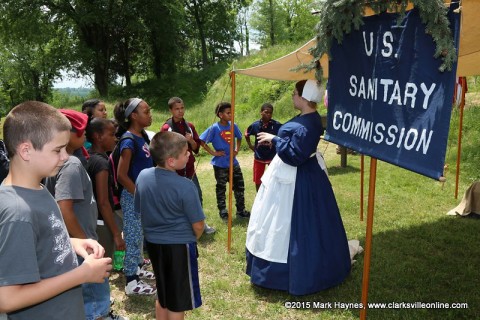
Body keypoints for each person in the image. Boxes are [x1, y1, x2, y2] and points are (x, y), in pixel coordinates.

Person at [0, 101, 111, 319]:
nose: (65, 157)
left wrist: (76, 243)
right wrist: (81, 274)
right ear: (26, 151)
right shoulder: (16, 212)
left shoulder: (38, 189)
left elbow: (40, 239)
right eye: (58, 150)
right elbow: (7, 298)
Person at [245, 80, 351, 295]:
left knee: (293, 223)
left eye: (294, 93)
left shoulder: (309, 123)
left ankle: (295, 271)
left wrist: (276, 140)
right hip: (291, 175)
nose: (292, 96)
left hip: (298, 179)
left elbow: (296, 156)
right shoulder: (307, 118)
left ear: (303, 98)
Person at [44, 109, 126, 320]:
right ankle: (101, 316)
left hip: (74, 240)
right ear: (67, 135)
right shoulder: (70, 164)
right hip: (81, 243)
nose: (85, 135)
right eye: (80, 132)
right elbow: (64, 207)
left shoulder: (61, 162)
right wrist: (85, 242)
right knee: (92, 292)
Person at [135, 131, 204, 320]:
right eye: (185, 153)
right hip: (179, 248)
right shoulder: (185, 186)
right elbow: (198, 225)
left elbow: (139, 209)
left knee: (163, 293)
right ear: (172, 161)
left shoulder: (142, 176)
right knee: (178, 300)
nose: (189, 154)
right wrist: (190, 239)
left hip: (154, 246)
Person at [113, 98, 156, 296]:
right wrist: (139, 195)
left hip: (142, 195)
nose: (150, 115)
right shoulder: (129, 140)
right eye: (146, 111)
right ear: (133, 116)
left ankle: (138, 267)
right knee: (132, 236)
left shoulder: (142, 136)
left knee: (139, 235)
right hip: (133, 197)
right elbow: (121, 175)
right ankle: (131, 282)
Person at [161, 97, 215, 234]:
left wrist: (190, 141)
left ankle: (201, 225)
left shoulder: (189, 126)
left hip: (189, 169)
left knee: (197, 195)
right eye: (177, 109)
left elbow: (196, 148)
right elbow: (163, 151)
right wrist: (181, 143)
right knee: (176, 200)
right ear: (171, 110)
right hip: (173, 171)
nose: (180, 111)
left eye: (182, 108)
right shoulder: (167, 128)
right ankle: (179, 226)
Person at [199, 102, 250, 220]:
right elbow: (202, 141)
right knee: (221, 188)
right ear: (220, 114)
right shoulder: (214, 128)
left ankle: (241, 210)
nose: (231, 114)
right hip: (220, 164)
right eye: (228, 113)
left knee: (239, 186)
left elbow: (239, 137)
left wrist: (236, 149)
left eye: (232, 112)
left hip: (233, 162)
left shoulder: (234, 125)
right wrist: (213, 153)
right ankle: (223, 211)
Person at [86, 118, 126, 260]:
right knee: (103, 266)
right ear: (98, 137)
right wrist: (116, 233)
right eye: (111, 134)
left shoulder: (88, 157)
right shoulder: (101, 164)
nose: (115, 139)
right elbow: (103, 202)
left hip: (91, 220)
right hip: (102, 224)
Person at [244, 103, 282, 191]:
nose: (268, 114)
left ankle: (274, 194)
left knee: (275, 177)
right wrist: (250, 146)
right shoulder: (255, 125)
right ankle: (259, 197)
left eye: (270, 113)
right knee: (258, 179)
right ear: (261, 112)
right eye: (266, 112)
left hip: (271, 157)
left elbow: (283, 135)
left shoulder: (276, 125)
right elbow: (247, 134)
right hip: (259, 157)